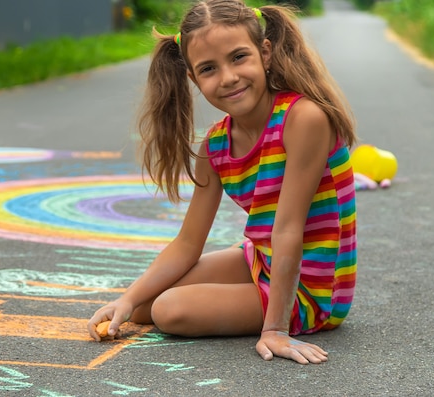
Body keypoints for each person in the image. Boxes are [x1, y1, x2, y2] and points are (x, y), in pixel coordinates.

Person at [88, 0, 357, 365]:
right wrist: (126, 298)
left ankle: (276, 312)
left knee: (168, 309)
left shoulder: (303, 118)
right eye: (209, 68)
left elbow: (288, 229)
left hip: (313, 288)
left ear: (265, 53)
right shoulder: (215, 146)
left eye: (238, 57)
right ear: (193, 78)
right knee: (143, 307)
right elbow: (187, 243)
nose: (228, 77)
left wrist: (275, 329)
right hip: (261, 260)